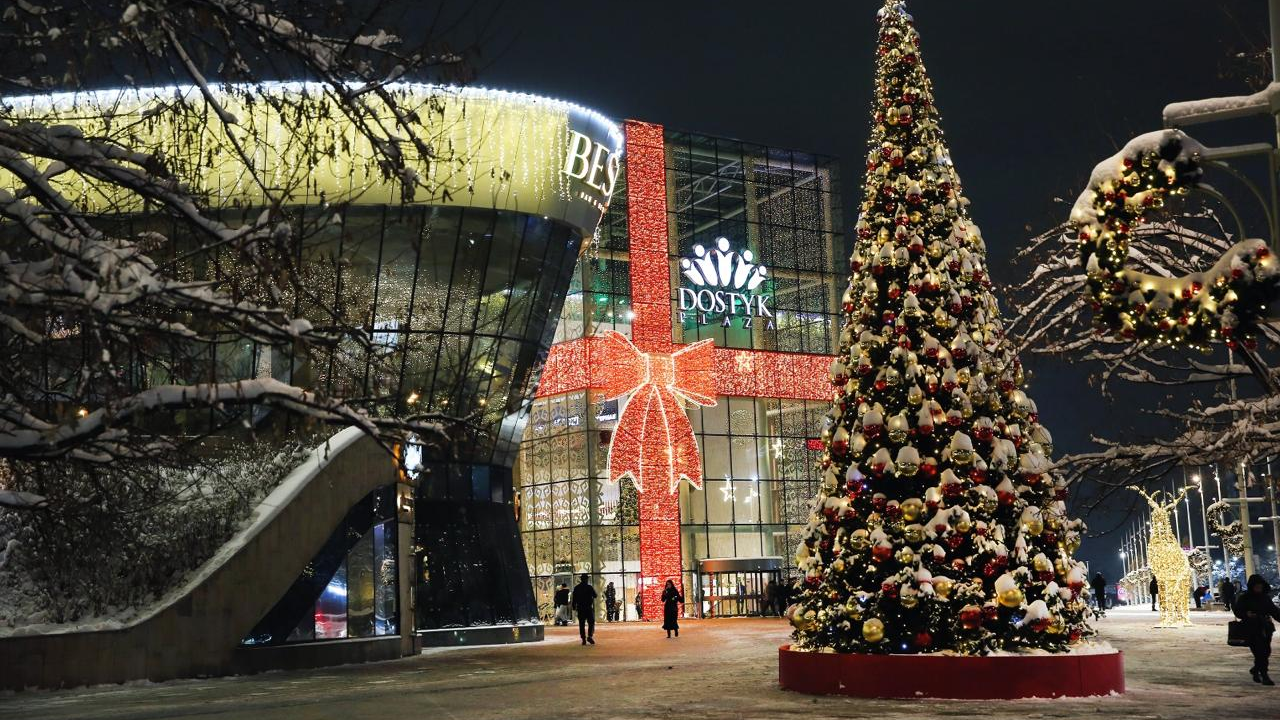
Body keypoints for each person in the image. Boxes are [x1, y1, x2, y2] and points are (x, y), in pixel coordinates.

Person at [1233, 574, 1280, 685]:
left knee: (1266, 652)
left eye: (1260, 586)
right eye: (1257, 586)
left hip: (1266, 628)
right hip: (1251, 629)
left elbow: (1274, 611)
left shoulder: (1265, 598)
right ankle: (1264, 675)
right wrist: (1246, 614)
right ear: (1252, 586)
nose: (1259, 588)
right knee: (1260, 653)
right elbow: (1238, 611)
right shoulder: (1245, 597)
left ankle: (1255, 670)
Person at [571, 574, 597, 645]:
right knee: (591, 622)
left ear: (581, 579)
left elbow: (574, 599)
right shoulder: (589, 587)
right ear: (587, 579)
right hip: (588, 607)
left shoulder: (577, 588)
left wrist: (574, 606)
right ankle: (590, 636)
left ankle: (583, 639)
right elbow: (595, 595)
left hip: (580, 608)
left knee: (581, 624)